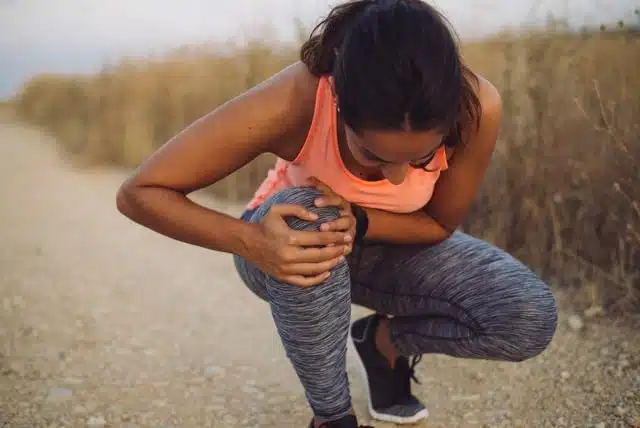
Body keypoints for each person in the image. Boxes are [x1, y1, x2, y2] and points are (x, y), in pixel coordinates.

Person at [116, 0, 558, 426]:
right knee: (311, 216)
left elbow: (438, 224)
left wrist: (361, 220)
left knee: (526, 317)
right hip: (281, 246)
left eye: (420, 157)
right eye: (373, 154)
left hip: (385, 244)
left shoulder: (478, 107)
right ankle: (332, 417)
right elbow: (141, 192)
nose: (399, 177)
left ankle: (382, 343)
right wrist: (253, 242)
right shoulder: (297, 97)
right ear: (338, 102)